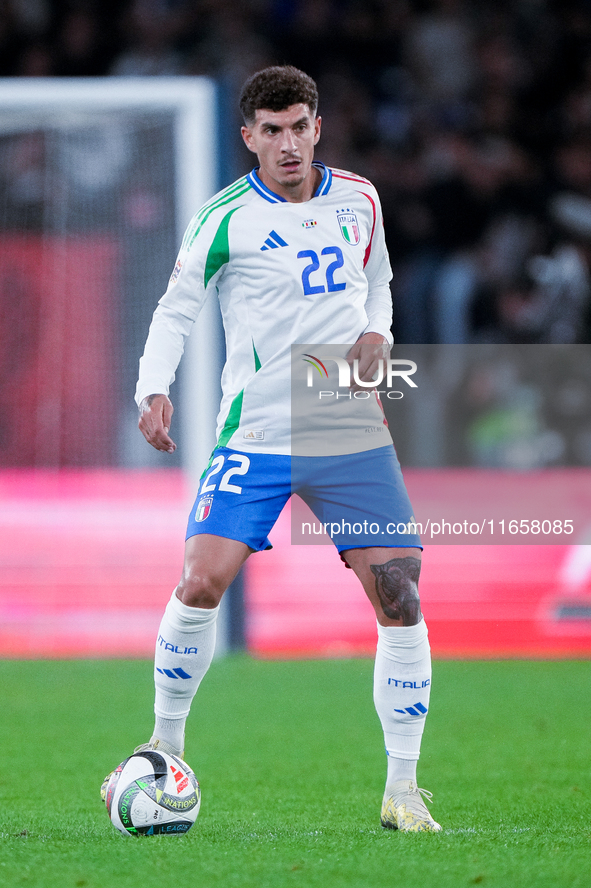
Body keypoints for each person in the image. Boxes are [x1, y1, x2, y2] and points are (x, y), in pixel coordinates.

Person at [108, 65, 440, 833]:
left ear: (316, 126)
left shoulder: (360, 197)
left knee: (401, 594)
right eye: (272, 131)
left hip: (347, 426)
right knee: (199, 582)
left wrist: (375, 333)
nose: (287, 144)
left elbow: (378, 281)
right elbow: (176, 306)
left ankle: (402, 790)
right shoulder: (225, 216)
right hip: (256, 429)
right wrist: (150, 387)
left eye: (299, 127)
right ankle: (161, 751)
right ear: (249, 136)